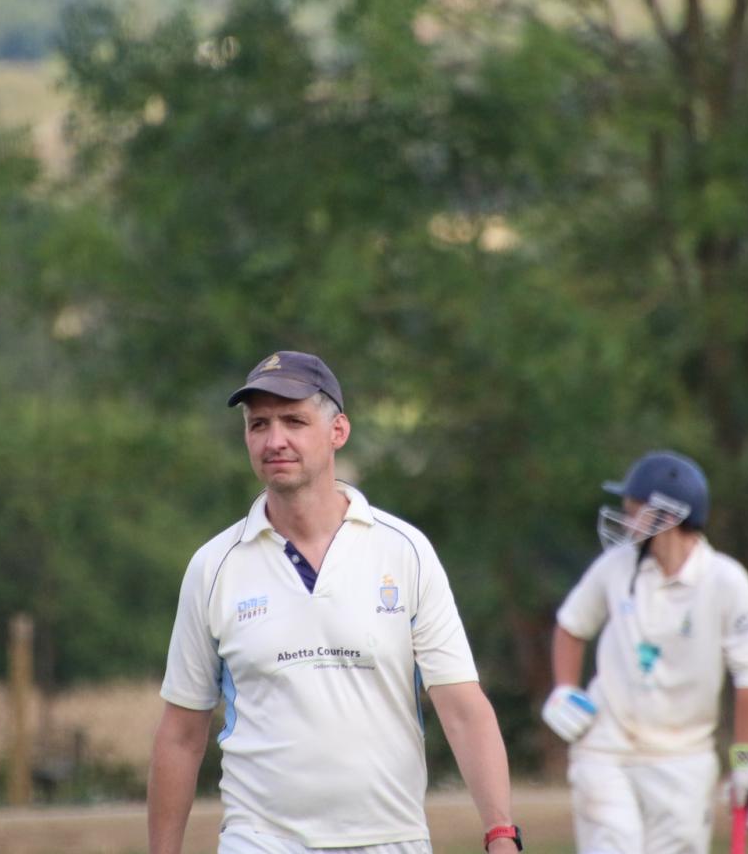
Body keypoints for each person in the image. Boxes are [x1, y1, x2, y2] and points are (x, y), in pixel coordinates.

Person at [149, 351, 521, 854]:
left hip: (391, 838)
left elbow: (463, 709)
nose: (274, 439)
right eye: (259, 424)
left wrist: (501, 833)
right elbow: (181, 735)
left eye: (294, 421)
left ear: (338, 431)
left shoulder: (404, 551)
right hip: (260, 840)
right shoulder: (215, 566)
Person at [541, 450, 748, 854]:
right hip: (606, 746)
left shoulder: (726, 580)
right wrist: (564, 688)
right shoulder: (616, 565)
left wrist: (743, 761)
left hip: (684, 756)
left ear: (668, 515)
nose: (624, 518)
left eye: (633, 509)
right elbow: (570, 626)